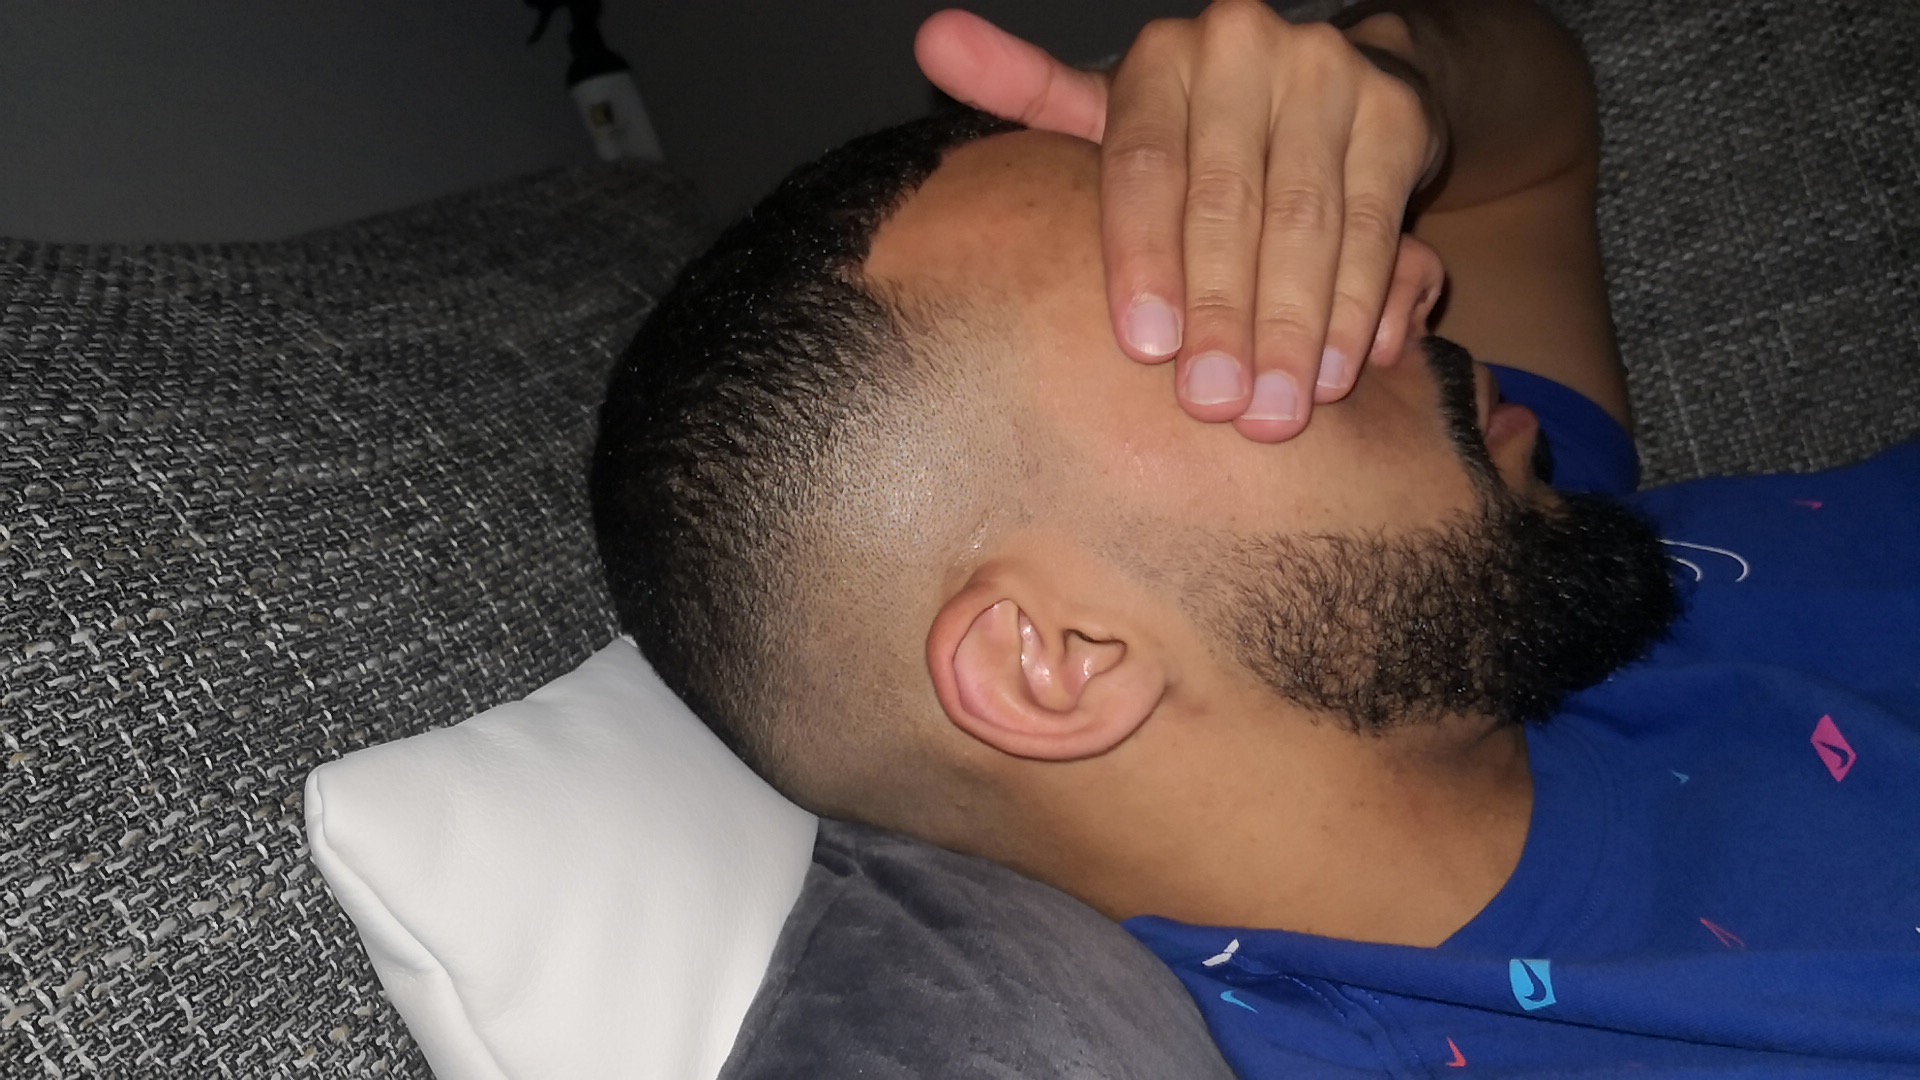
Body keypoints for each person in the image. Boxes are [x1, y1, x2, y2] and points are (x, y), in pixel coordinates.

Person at [590, 1, 1920, 1074]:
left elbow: (1526, 143)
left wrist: (1386, 77)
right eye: (1221, 305)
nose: (1406, 276)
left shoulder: (1499, 579)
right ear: (1058, 657)